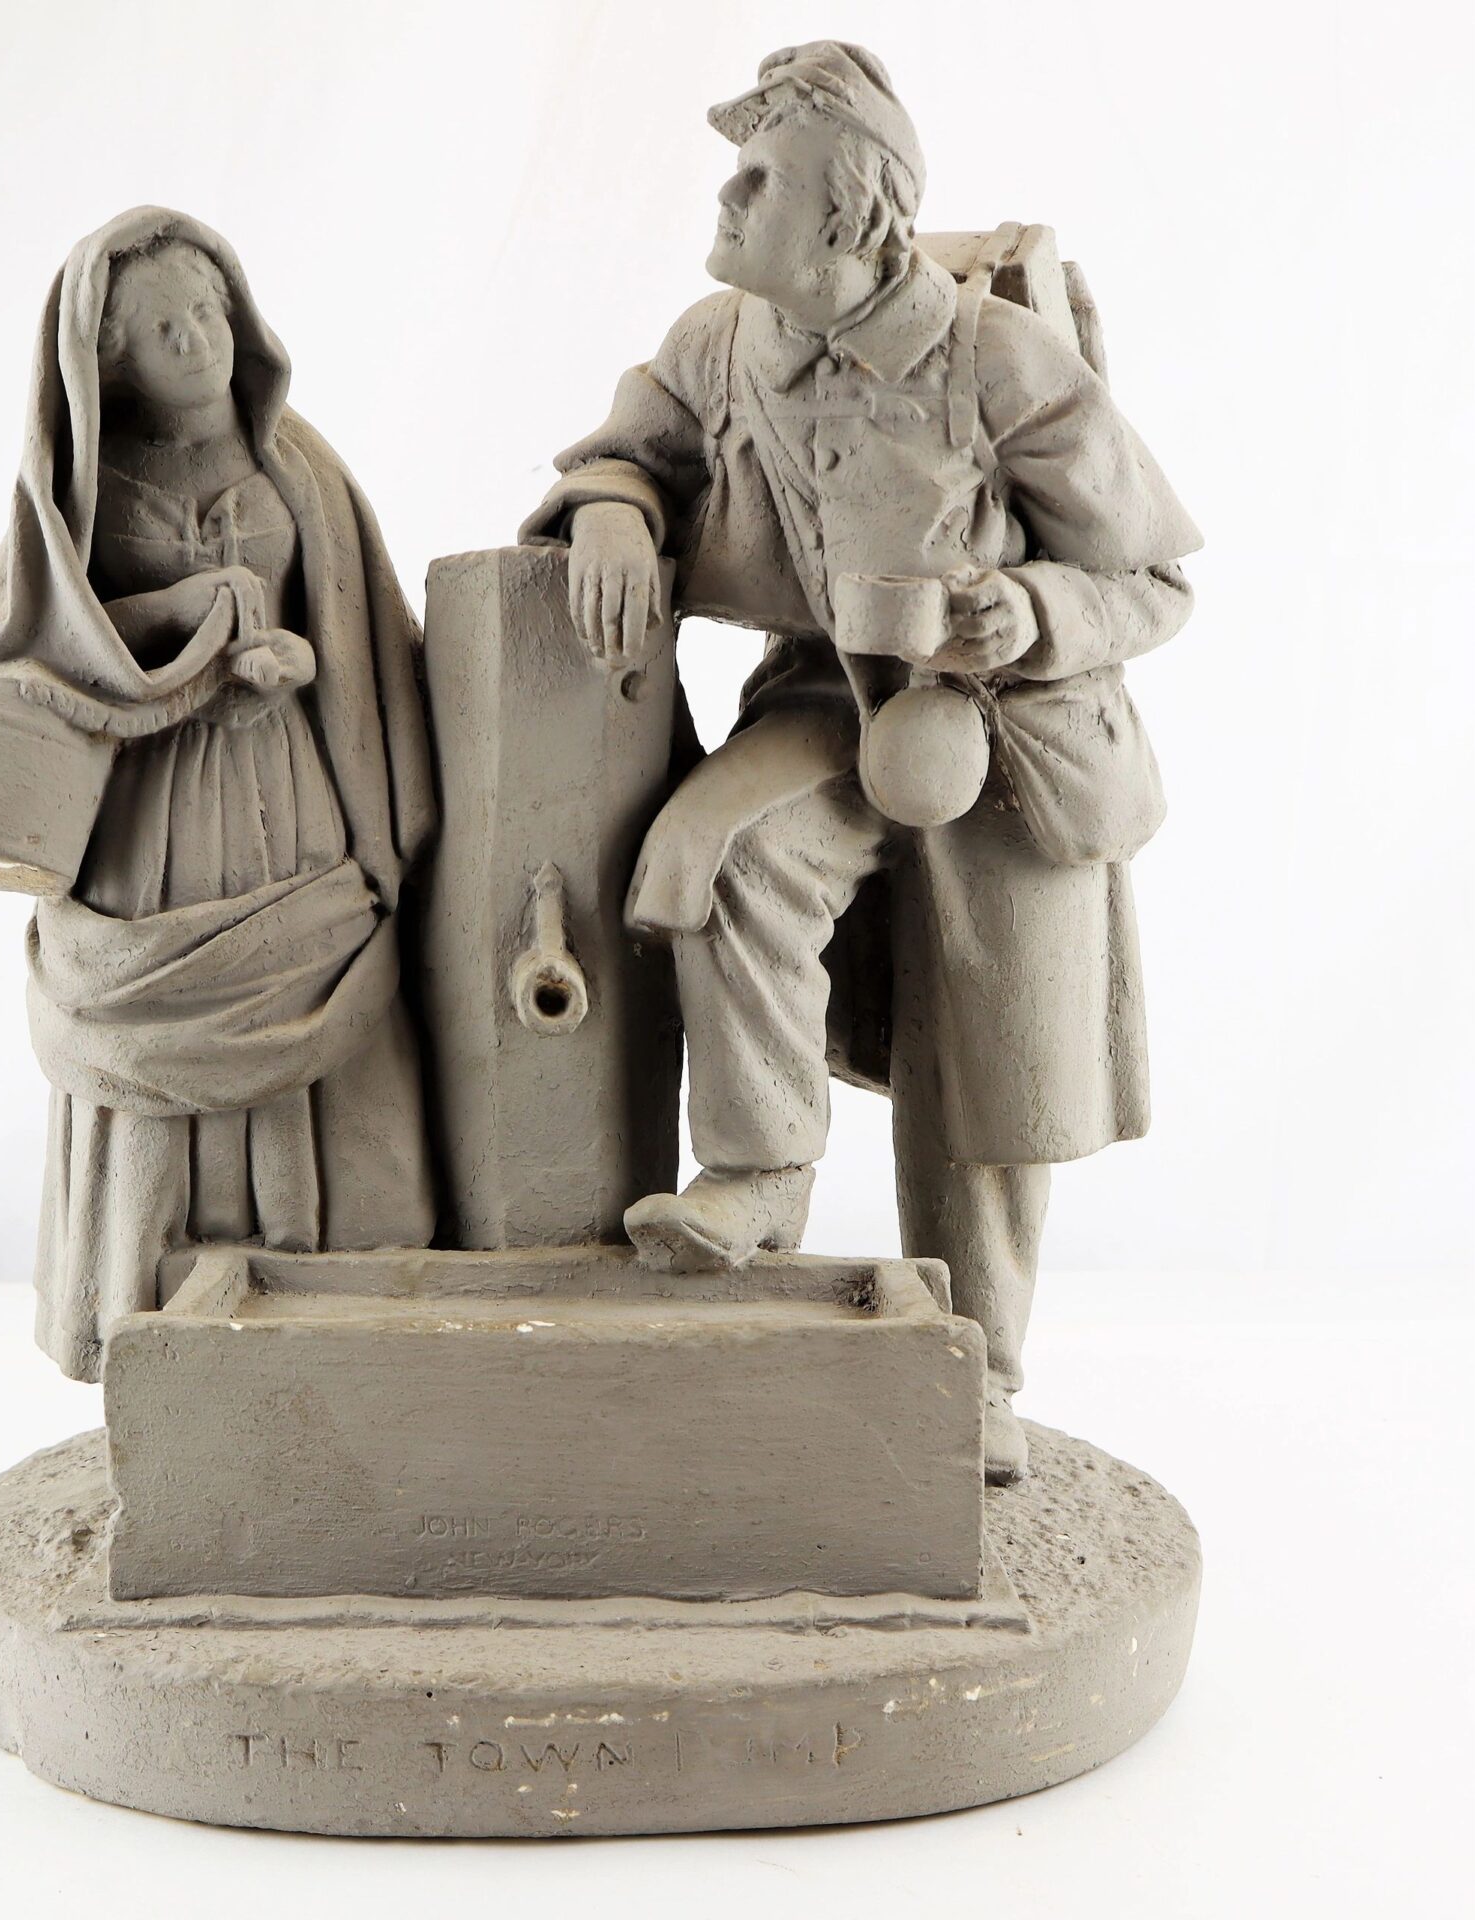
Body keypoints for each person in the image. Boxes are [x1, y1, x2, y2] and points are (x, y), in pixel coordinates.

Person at [520, 44, 1201, 1480]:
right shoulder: (720, 346)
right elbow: (624, 450)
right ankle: (758, 1172)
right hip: (829, 705)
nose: (725, 197)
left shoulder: (998, 362)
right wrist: (612, 510)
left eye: (757, 177)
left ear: (845, 213)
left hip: (1008, 736)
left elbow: (1152, 582)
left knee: (991, 1070)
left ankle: (978, 1372)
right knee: (721, 856)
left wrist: (1031, 613)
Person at [0, 208, 436, 1381]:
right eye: (164, 329)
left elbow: (365, 634)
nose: (197, 340)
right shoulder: (77, 493)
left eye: (208, 311)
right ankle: (150, 1312)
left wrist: (297, 657)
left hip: (289, 798)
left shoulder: (298, 466)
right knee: (155, 1061)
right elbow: (14, 631)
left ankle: (332, 1304)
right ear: (110, 356)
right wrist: (176, 627)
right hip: (145, 812)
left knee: (308, 1017)